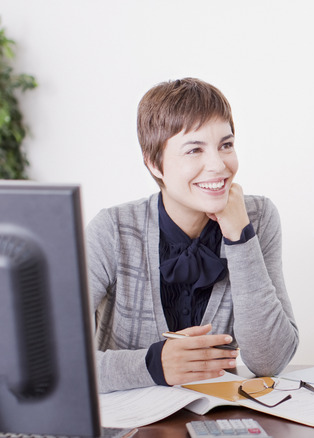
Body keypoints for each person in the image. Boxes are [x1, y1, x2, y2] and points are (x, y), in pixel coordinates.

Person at [87, 78, 299, 393]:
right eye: (194, 150)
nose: (218, 165)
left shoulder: (258, 217)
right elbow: (53, 361)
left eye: (225, 145)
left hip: (216, 420)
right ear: (154, 163)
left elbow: (270, 361)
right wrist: (152, 365)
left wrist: (240, 237)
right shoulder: (114, 229)